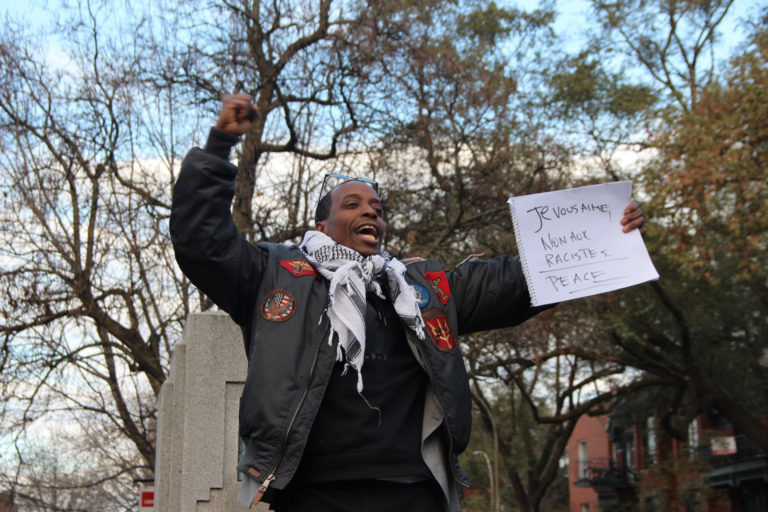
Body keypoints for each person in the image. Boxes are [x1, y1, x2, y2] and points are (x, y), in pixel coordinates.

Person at [169, 94, 646, 511]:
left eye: (376, 206)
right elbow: (202, 242)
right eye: (352, 204)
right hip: (311, 492)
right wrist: (218, 147)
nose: (370, 210)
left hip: (413, 489)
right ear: (320, 227)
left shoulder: (422, 288)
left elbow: (510, 283)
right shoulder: (273, 274)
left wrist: (606, 236)